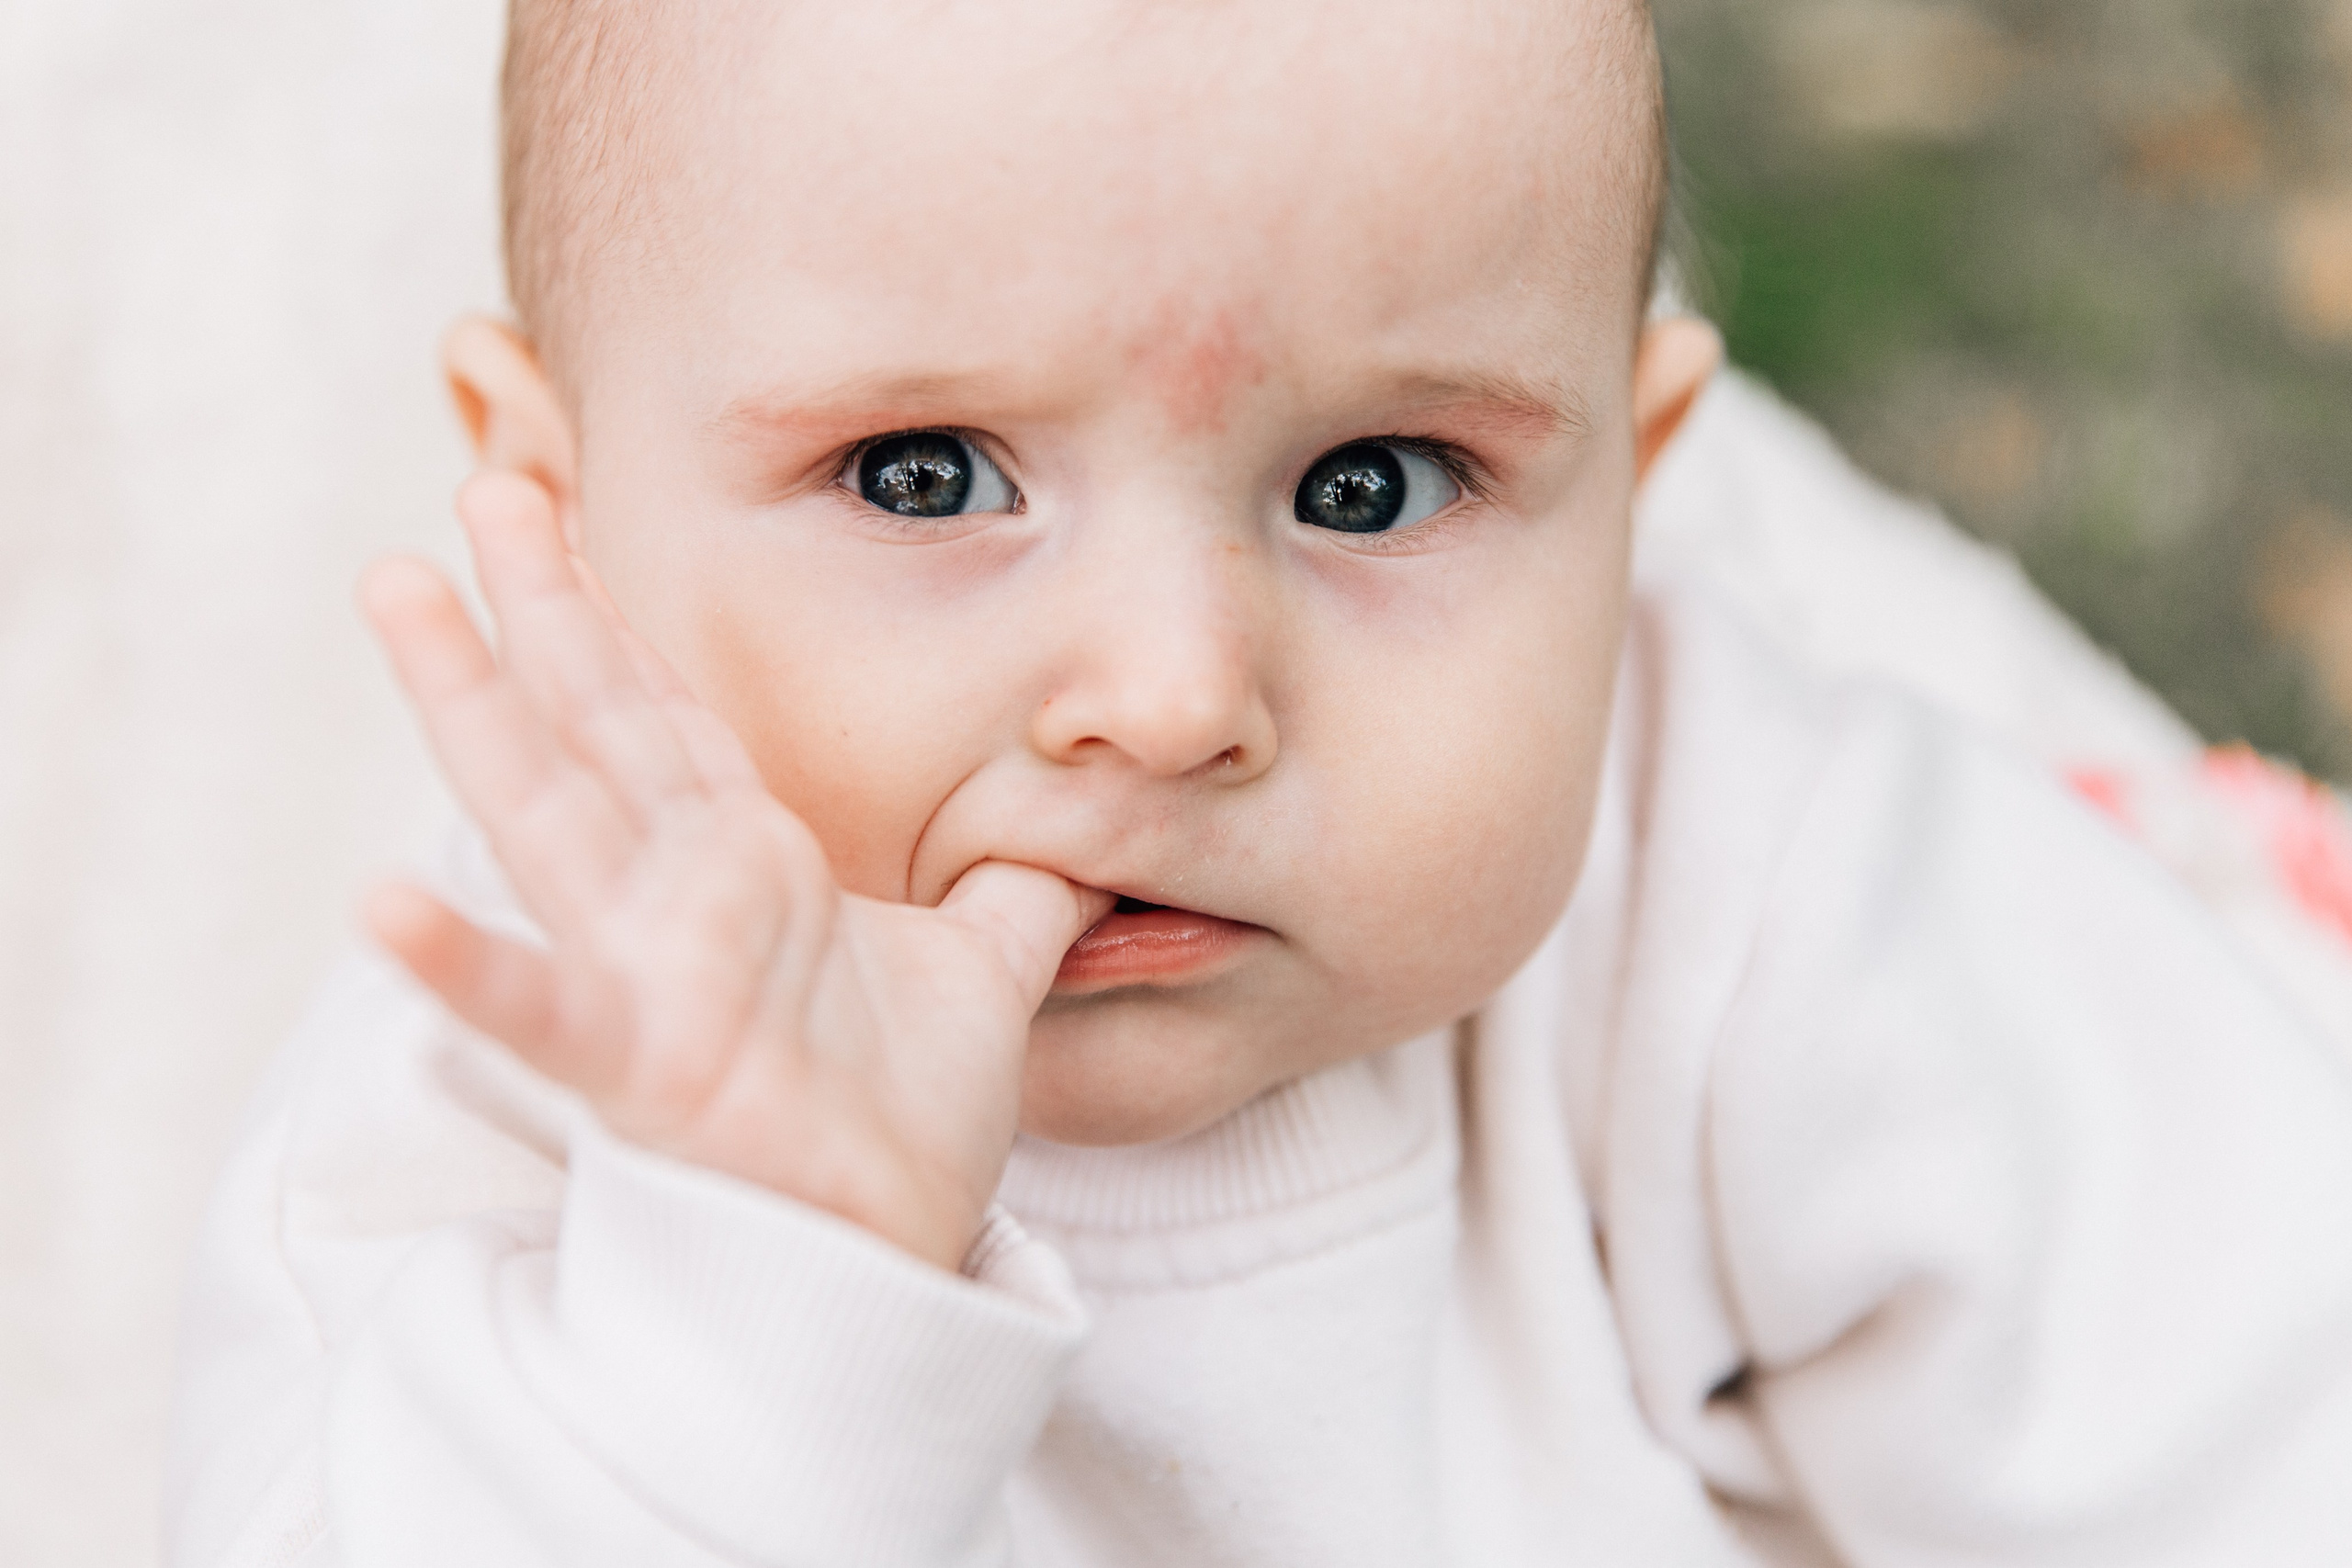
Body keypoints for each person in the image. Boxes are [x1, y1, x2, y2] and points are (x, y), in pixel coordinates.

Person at [165, 0, 2352, 1562]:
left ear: (1627, 491)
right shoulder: (501, 1086)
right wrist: (755, 1284)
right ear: (556, 507)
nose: (1171, 692)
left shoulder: (1737, 867)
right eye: (923, 476)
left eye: (1375, 482)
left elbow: (2252, 1398)